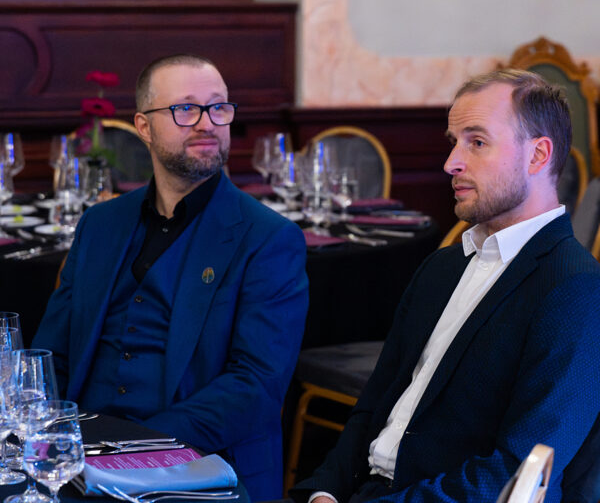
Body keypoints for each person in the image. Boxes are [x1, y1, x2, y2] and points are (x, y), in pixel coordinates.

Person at [290, 69, 600, 503]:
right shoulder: (441, 267)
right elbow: (371, 407)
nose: (450, 163)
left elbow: (514, 476)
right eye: (453, 142)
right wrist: (324, 491)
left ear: (537, 155)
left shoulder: (575, 289)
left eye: (477, 142)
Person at [33, 54, 309, 502]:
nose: (206, 123)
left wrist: (132, 449)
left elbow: (255, 386)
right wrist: (49, 445)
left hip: (200, 466)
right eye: (185, 109)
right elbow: (53, 357)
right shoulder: (100, 224)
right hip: (80, 460)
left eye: (218, 107)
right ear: (144, 127)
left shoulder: (269, 238)